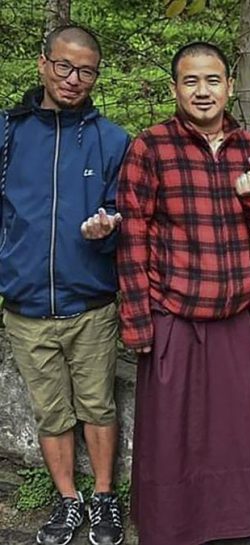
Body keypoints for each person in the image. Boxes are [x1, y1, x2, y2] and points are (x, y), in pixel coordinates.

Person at [116, 41, 250, 545]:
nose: (203, 91)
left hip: (234, 311)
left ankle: (238, 521)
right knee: (172, 430)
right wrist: (137, 319)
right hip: (174, 311)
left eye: (212, 80)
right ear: (175, 89)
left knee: (234, 428)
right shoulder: (151, 147)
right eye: (191, 81)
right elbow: (133, 235)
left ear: (229, 86)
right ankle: (170, 527)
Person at [0, 25, 129, 545]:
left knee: (98, 405)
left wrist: (108, 230)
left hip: (90, 303)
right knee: (51, 411)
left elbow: (126, 215)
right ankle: (67, 499)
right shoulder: (9, 133)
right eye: (64, 66)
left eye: (86, 71)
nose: (74, 79)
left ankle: (104, 497)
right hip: (26, 306)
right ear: (43, 64)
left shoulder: (112, 140)